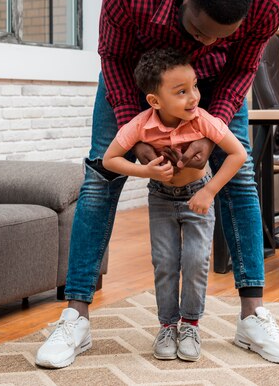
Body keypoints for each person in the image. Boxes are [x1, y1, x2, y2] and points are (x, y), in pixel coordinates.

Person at [36, 0, 279, 369]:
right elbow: (116, 58)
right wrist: (137, 133)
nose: (209, 42)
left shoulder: (268, 0)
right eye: (200, 31)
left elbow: (242, 69)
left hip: (212, 82)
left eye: (222, 35)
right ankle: (76, 317)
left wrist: (212, 137)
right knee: (98, 180)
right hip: (137, 78)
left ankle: (252, 316)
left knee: (242, 175)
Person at [103, 48, 247, 361]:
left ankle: (191, 325)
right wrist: (145, 171)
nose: (193, 97)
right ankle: (167, 326)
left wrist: (209, 191)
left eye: (194, 86)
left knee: (195, 262)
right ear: (155, 101)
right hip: (161, 199)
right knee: (165, 263)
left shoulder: (203, 120)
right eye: (181, 92)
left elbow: (238, 154)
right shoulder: (141, 125)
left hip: (197, 195)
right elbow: (109, 159)